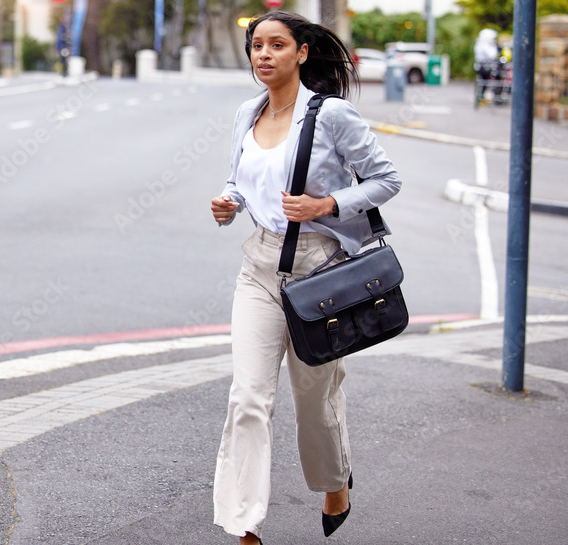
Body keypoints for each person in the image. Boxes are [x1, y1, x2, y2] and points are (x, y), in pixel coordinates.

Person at [209, 11, 401, 544]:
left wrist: (327, 203)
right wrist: (230, 203)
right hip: (259, 268)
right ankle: (243, 525)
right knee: (247, 396)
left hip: (321, 273)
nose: (263, 54)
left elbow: (387, 180)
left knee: (314, 400)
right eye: (256, 46)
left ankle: (335, 482)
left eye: (276, 45)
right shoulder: (247, 112)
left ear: (302, 53)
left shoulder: (332, 115)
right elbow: (241, 179)